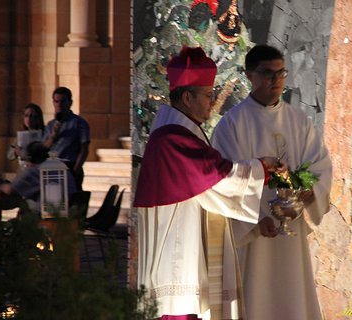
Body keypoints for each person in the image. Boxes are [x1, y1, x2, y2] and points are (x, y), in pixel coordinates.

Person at [133, 46, 285, 320]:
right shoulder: (173, 138)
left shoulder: (181, 130)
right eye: (207, 94)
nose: (212, 101)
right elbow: (217, 179)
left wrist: (255, 222)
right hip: (177, 256)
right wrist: (262, 166)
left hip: (184, 246)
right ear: (188, 97)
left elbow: (210, 196)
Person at [211, 44, 332, 320]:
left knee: (291, 295)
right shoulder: (232, 125)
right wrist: (254, 221)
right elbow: (224, 180)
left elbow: (321, 165)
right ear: (249, 75)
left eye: (281, 73)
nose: (276, 81)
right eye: (267, 74)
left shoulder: (298, 121)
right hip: (255, 233)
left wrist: (307, 193)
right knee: (256, 299)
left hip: (292, 231)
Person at [0, 141, 77, 216]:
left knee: (20, 202)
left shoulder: (36, 171)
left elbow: (10, 190)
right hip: (69, 216)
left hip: (46, 216)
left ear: (29, 158)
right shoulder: (63, 169)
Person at [43, 87, 90, 190]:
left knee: (71, 201)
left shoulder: (79, 123)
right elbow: (44, 148)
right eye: (56, 101)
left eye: (63, 101)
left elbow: (84, 149)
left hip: (70, 166)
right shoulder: (50, 125)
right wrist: (52, 136)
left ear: (70, 103)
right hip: (51, 167)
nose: (59, 104)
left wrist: (75, 170)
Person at [7, 103, 45, 173]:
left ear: (38, 117)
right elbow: (9, 155)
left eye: (32, 116)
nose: (29, 119)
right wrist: (16, 151)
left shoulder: (45, 133)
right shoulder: (21, 135)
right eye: (26, 116)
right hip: (23, 172)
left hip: (39, 172)